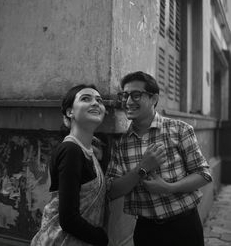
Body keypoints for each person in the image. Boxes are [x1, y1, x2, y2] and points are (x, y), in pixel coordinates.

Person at [106, 71, 212, 246]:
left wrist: (169, 188)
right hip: (147, 231)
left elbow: (204, 174)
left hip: (184, 226)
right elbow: (112, 191)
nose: (128, 101)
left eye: (136, 95)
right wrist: (142, 168)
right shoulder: (121, 143)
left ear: (154, 98)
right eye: (125, 95)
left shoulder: (179, 130)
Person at [31, 84, 108, 246]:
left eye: (99, 100)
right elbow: (68, 219)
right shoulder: (70, 150)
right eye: (86, 99)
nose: (95, 103)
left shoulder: (89, 151)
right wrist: (102, 238)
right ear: (70, 112)